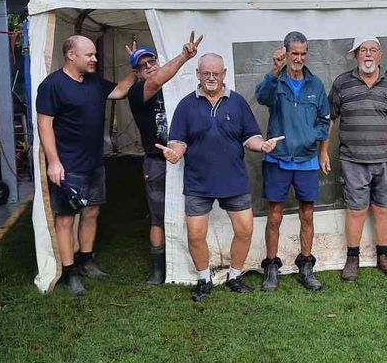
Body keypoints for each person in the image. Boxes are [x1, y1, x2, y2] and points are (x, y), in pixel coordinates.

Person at [160, 53, 283, 302]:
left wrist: (263, 146)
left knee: (245, 229)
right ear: (198, 74)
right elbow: (178, 141)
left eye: (216, 73)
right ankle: (204, 279)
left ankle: (234, 276)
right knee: (195, 234)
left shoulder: (237, 102)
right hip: (198, 182)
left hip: (233, 180)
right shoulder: (186, 105)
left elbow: (250, 137)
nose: (211, 78)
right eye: (206, 73)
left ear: (224, 74)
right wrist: (174, 153)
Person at [37, 35, 135, 295]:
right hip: (68, 167)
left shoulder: (93, 82)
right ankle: (69, 273)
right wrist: (54, 162)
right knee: (66, 219)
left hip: (94, 164)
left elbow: (120, 91)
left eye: (94, 55)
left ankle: (86, 261)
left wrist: (134, 70)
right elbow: (44, 125)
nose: (94, 59)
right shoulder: (53, 85)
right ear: (71, 55)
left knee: (91, 212)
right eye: (89, 55)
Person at [320, 36, 387, 282]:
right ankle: (352, 259)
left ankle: (384, 257)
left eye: (372, 50)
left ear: (380, 54)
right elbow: (330, 118)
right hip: (353, 159)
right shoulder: (342, 83)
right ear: (355, 55)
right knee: (356, 210)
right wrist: (323, 150)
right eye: (363, 51)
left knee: (383, 209)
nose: (368, 55)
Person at [254, 31, 330, 291]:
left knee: (307, 214)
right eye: (294, 53)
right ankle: (271, 268)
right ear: (285, 53)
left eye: (302, 53)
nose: (298, 58)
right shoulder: (276, 81)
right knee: (274, 216)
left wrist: (313, 139)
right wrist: (274, 72)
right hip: (277, 158)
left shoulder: (316, 85)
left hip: (306, 160)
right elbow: (262, 98)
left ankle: (306, 267)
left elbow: (324, 119)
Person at [126, 31, 202, 284]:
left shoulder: (176, 87)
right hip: (157, 163)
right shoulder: (138, 92)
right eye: (142, 66)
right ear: (136, 73)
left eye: (152, 62)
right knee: (158, 216)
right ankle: (159, 270)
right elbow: (155, 82)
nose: (149, 67)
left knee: (193, 210)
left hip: (186, 159)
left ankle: (191, 263)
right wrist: (184, 56)